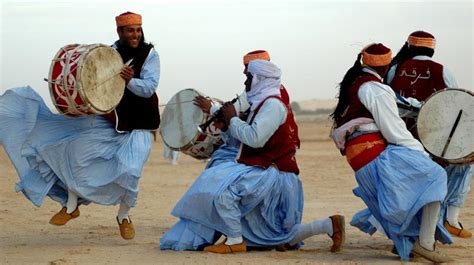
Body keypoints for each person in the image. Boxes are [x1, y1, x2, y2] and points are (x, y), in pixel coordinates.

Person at [0, 11, 160, 240]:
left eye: (137, 30)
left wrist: (129, 80)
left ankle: (123, 216)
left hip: (140, 125)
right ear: (120, 32)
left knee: (131, 171)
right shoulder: (110, 52)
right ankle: (71, 205)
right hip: (113, 120)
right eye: (130, 30)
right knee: (75, 154)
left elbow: (149, 87)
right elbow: (94, 81)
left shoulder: (150, 55)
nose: (135, 34)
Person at [161, 59, 345, 253]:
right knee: (271, 236)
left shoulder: (273, 105)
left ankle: (234, 241)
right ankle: (328, 225)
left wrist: (232, 118)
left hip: (273, 174)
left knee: (222, 193)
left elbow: (255, 139)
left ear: (259, 78)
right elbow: (244, 138)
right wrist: (226, 127)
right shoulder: (261, 102)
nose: (245, 82)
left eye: (248, 77)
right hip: (265, 168)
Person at [330, 43, 453, 262]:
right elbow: (394, 130)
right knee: (435, 175)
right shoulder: (375, 89)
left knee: (404, 194)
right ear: (387, 66)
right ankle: (425, 243)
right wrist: (422, 153)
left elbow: (399, 103)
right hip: (373, 152)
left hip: (362, 156)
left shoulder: (361, 82)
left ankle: (408, 243)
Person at [386, 31, 472, 239]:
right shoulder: (443, 70)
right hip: (436, 140)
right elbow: (455, 103)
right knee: (463, 166)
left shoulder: (394, 70)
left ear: (410, 47)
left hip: (400, 136)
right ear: (432, 50)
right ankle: (450, 219)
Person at [193, 50, 296, 168]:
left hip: (268, 155)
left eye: (247, 69)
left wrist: (211, 108)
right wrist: (226, 127)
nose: (244, 71)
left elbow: (235, 111)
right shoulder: (270, 89)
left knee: (219, 164)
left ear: (259, 71)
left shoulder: (264, 95)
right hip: (262, 146)